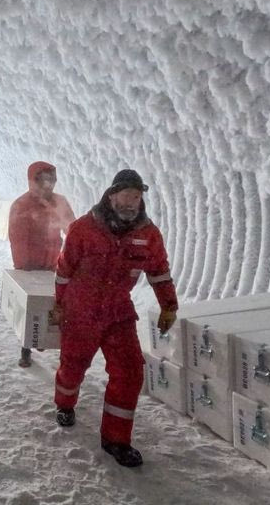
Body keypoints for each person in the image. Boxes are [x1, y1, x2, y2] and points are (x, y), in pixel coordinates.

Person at [51, 169, 178, 468]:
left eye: (137, 197)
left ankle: (116, 440)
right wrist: (59, 305)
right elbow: (64, 269)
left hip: (118, 313)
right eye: (126, 195)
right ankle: (64, 404)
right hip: (80, 311)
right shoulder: (84, 228)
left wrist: (169, 306)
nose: (131, 202)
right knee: (73, 366)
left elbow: (159, 272)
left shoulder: (148, 235)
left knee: (130, 371)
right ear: (111, 196)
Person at [8, 161, 76, 367]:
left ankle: (51, 343)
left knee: (56, 305)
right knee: (31, 308)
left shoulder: (60, 203)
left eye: (51, 180)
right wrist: (24, 267)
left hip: (54, 264)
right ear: (33, 181)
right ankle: (26, 348)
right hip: (29, 266)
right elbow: (18, 239)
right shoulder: (21, 205)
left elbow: (72, 230)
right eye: (43, 180)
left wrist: (73, 257)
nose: (48, 185)